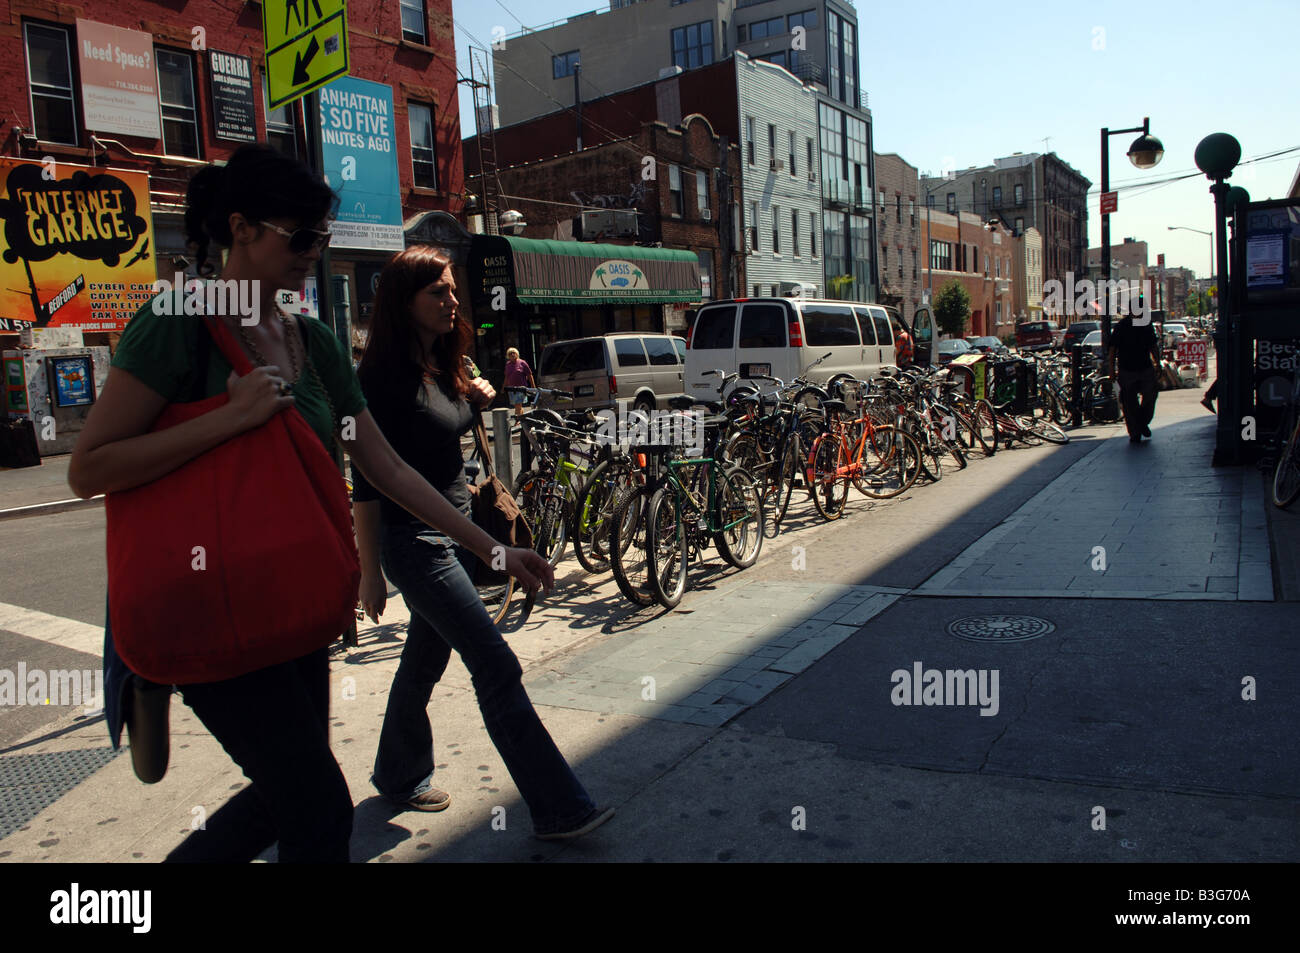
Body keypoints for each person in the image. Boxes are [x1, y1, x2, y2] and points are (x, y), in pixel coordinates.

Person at [67, 144, 553, 863]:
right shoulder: (177, 323)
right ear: (240, 228)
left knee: (293, 799)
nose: (310, 253)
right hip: (206, 608)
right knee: (319, 803)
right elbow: (89, 467)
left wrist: (492, 547)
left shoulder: (315, 343)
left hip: (289, 612)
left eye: (318, 238)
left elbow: (383, 465)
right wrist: (226, 419)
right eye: (297, 237)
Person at [352, 246, 614, 841]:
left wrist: (476, 399)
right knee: (495, 662)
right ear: (403, 303)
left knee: (423, 661)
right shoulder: (381, 379)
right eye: (436, 293)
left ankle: (397, 773)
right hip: (414, 544)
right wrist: (370, 573)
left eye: (451, 289)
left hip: (455, 532)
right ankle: (560, 808)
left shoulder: (443, 362)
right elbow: (369, 484)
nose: (451, 301)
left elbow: (441, 437)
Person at [1106, 314, 1161, 443]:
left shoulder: (1146, 324)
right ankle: (1135, 432)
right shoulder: (1122, 325)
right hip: (1127, 369)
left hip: (1145, 368)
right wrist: (1111, 369)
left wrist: (1158, 363)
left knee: (1150, 396)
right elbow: (1113, 348)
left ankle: (1141, 423)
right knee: (1129, 403)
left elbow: (1153, 345)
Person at [504, 347, 535, 416]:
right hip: (511, 388)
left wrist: (533, 386)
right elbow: (506, 376)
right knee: (517, 405)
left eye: (513, 353)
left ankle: (517, 420)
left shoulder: (522, 363)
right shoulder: (508, 364)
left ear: (517, 354)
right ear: (508, 356)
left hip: (521, 388)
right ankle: (522, 419)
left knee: (518, 405)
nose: (512, 354)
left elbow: (529, 374)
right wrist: (504, 387)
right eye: (510, 353)